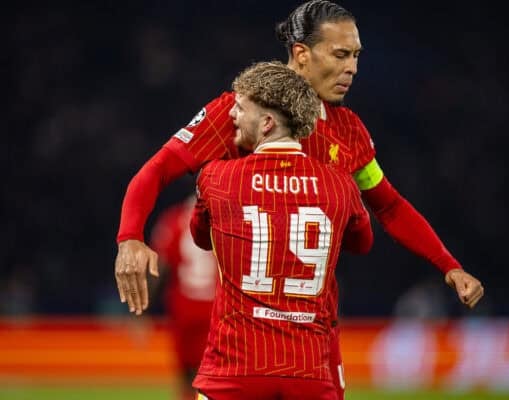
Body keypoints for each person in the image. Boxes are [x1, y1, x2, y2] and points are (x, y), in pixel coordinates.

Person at [114, 1, 484, 398]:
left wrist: (448, 265)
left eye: (357, 56)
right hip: (246, 342)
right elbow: (157, 168)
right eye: (341, 54)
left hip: (312, 344)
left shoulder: (349, 132)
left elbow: (389, 204)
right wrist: (129, 237)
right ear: (301, 53)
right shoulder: (241, 112)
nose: (353, 68)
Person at [192, 61, 373, 399]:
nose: (231, 114)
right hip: (310, 371)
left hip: (234, 369)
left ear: (267, 123)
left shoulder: (217, 177)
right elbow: (362, 243)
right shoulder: (339, 184)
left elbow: (201, 236)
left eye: (240, 108)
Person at [149, 195, 217, 400]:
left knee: (187, 377)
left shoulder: (173, 219)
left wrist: (144, 308)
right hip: (217, 310)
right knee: (218, 377)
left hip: (184, 309)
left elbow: (161, 269)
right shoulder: (225, 218)